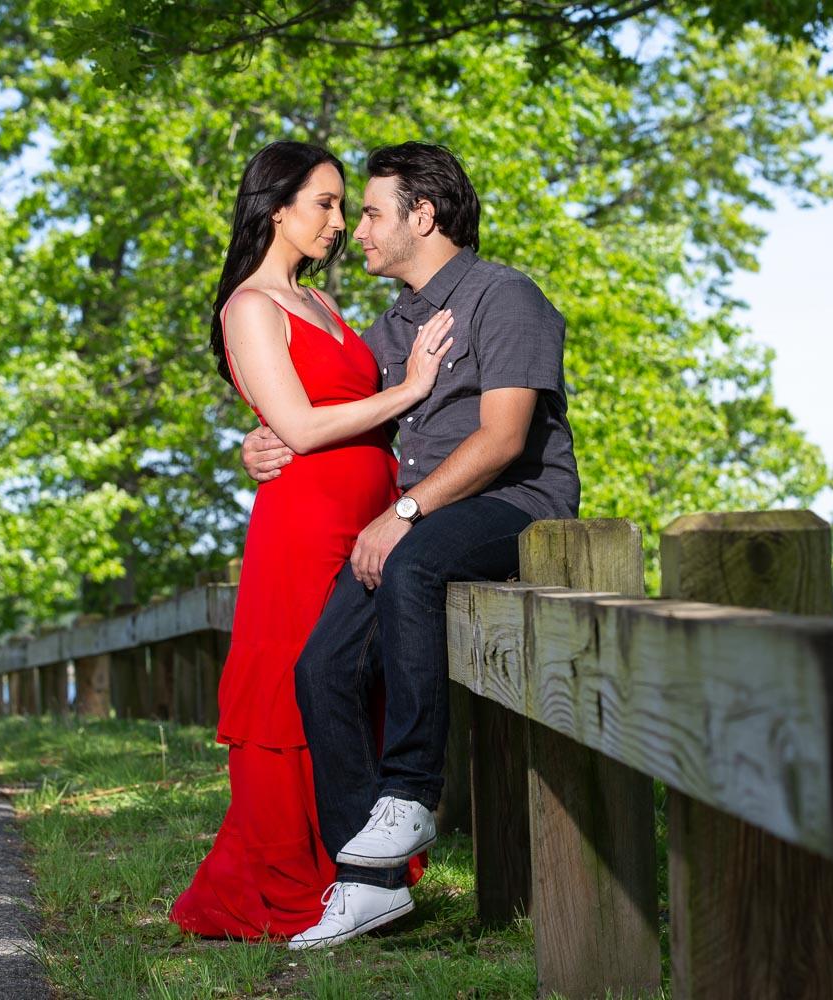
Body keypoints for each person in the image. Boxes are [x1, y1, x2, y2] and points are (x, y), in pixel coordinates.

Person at [242, 142, 580, 950]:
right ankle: (367, 885)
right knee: (319, 668)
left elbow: (502, 440)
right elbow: (328, 416)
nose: (355, 228)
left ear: (420, 217)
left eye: (369, 211)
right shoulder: (391, 328)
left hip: (515, 507)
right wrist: (259, 446)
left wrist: (408, 513)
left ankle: (409, 795)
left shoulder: (506, 297)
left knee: (416, 560)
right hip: (417, 522)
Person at [167, 141, 456, 940]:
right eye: (324, 203)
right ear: (275, 206)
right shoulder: (250, 307)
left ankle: (362, 873)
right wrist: (410, 388)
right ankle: (301, 879)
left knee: (356, 689)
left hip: (370, 520)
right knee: (299, 688)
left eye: (342, 206)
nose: (338, 222)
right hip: (304, 528)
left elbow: (314, 409)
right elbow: (294, 424)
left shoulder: (325, 307)